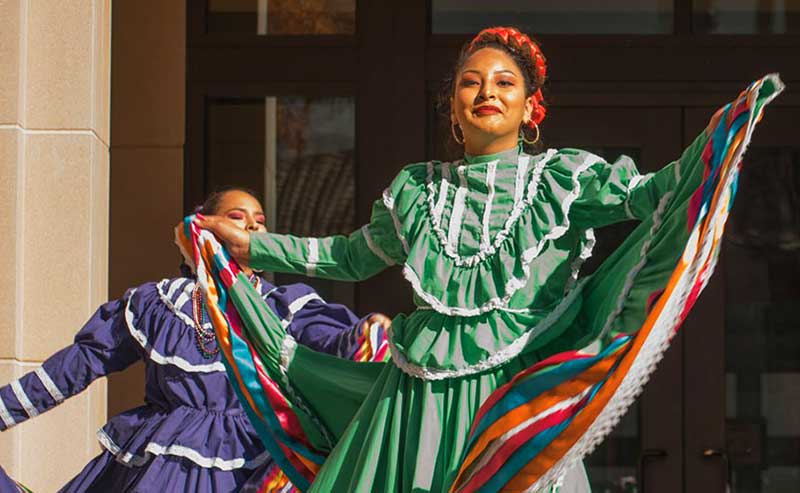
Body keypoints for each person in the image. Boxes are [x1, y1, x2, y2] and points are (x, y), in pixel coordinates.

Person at [193, 27, 783, 493]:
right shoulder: (416, 191)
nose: (486, 93)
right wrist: (253, 247)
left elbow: (649, 194)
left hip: (513, 406)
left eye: (504, 83)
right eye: (470, 83)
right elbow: (347, 256)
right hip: (416, 404)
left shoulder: (563, 179)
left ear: (531, 108)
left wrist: (718, 142)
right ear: (452, 108)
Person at [0, 188, 390, 493]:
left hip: (258, 458)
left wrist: (368, 333)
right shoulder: (156, 305)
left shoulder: (284, 305)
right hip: (165, 458)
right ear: (203, 228)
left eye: (260, 222)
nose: (252, 227)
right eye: (237, 218)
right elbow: (79, 364)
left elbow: (331, 342)